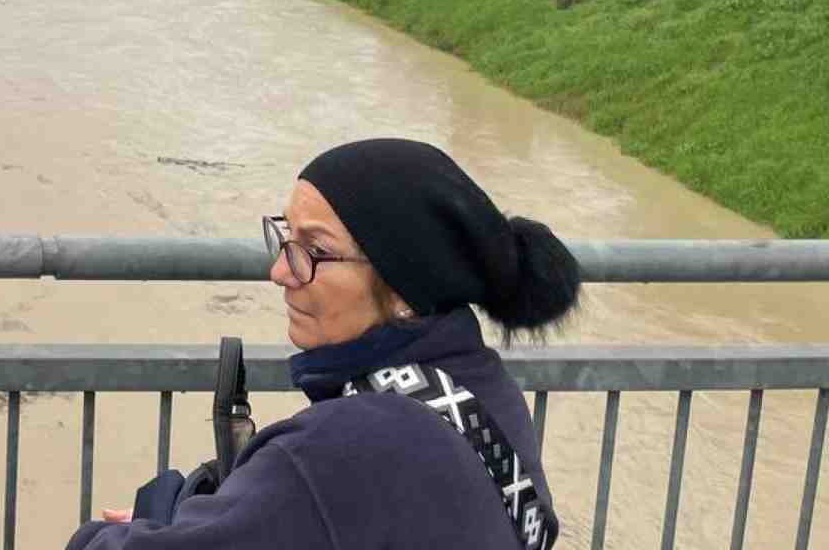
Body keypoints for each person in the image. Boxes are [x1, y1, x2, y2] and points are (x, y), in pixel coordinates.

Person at [68, 138, 580, 550]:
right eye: (285, 237)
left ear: (404, 287)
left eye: (314, 250)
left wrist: (143, 522)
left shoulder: (334, 453)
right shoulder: (484, 395)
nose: (280, 271)